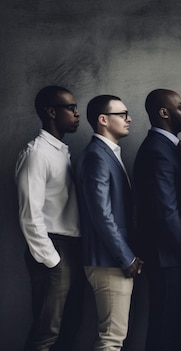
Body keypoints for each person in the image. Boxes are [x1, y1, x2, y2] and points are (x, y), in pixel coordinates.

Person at [16, 85, 83, 351]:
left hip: (72, 247)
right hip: (53, 249)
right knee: (46, 333)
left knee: (70, 327)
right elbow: (29, 216)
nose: (77, 113)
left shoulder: (60, 151)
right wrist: (53, 261)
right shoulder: (36, 154)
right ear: (51, 112)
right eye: (71, 107)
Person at [75, 95, 142, 351]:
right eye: (122, 114)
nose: (129, 119)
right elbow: (101, 214)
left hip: (110, 259)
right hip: (107, 261)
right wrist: (127, 257)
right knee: (111, 339)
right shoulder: (97, 156)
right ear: (103, 120)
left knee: (114, 336)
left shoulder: (107, 153)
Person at [133, 89, 181, 351]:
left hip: (174, 259)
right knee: (165, 330)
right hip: (167, 258)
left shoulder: (176, 147)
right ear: (164, 112)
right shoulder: (156, 151)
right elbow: (166, 211)